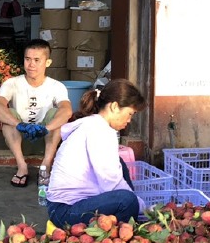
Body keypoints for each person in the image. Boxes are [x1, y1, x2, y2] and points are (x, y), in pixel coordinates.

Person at [46, 78, 146, 228]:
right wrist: (142, 207)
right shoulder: (99, 130)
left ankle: (131, 218)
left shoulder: (94, 125)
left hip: (72, 205)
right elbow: (111, 182)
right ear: (114, 107)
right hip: (65, 211)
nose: (129, 120)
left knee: (120, 164)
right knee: (127, 201)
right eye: (130, 113)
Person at [0, 39, 73, 187]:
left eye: (37, 60)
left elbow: (67, 111)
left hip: (46, 140)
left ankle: (46, 166)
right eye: (27, 59)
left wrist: (45, 128)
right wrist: (20, 125)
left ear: (47, 62)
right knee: (7, 113)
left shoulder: (57, 86)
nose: (31, 64)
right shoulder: (11, 83)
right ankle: (22, 166)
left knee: (57, 113)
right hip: (19, 140)